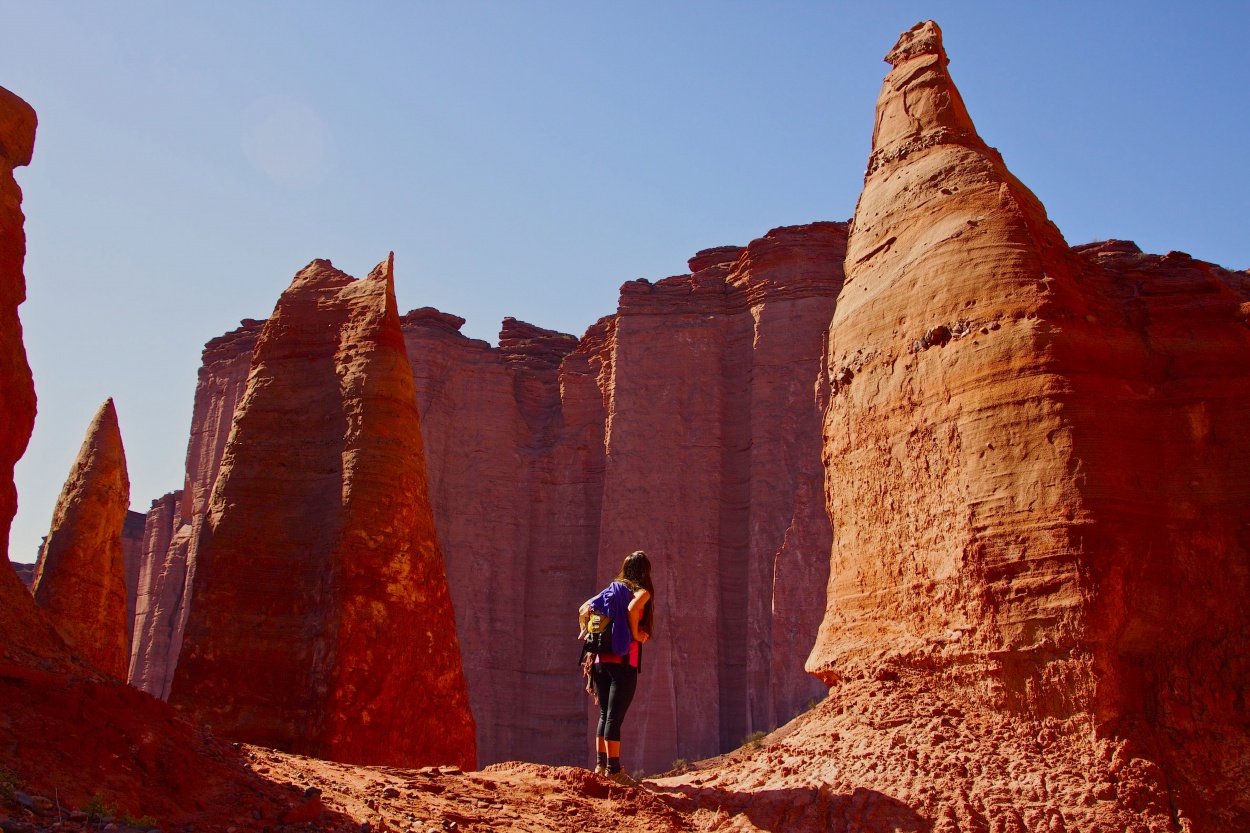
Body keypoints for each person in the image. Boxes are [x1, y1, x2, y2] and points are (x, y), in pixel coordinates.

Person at [580, 550, 654, 782]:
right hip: (624, 662)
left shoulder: (612, 590)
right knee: (614, 718)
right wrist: (636, 634)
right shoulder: (641, 592)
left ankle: (601, 766)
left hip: (600, 662)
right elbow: (632, 610)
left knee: (604, 714)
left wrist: (587, 629)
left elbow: (584, 609)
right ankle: (614, 771)